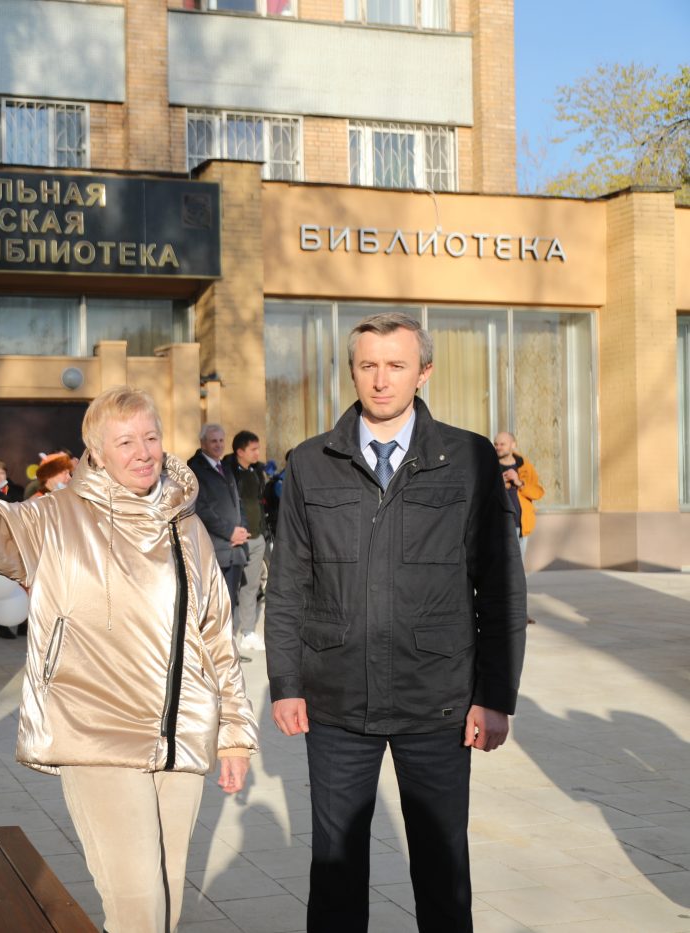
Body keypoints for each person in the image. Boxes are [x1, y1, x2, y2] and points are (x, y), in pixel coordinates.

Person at [0, 386, 258, 933]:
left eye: (150, 437)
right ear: (96, 453)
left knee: (168, 898)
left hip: (181, 737)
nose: (143, 452)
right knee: (138, 903)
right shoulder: (54, 518)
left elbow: (217, 634)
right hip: (98, 734)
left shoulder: (186, 526)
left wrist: (235, 735)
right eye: (125, 441)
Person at [266, 311, 526, 933]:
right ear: (352, 371)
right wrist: (287, 683)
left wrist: (494, 697)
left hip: (436, 701)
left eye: (396, 366)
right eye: (368, 366)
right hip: (335, 705)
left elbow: (500, 585)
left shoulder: (467, 458)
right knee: (334, 878)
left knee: (442, 876)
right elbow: (288, 586)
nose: (381, 381)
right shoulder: (309, 462)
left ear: (423, 372)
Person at [187, 423, 250, 611]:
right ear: (203, 443)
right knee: (215, 606)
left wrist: (242, 530)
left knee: (230, 602)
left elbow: (239, 502)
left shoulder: (225, 467)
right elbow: (201, 508)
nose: (218, 445)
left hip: (235, 549)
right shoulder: (195, 469)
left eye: (221, 440)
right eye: (213, 441)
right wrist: (229, 532)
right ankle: (219, 641)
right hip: (215, 548)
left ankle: (228, 639)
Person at [223, 430, 267, 653]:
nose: (258, 453)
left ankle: (248, 632)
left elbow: (259, 502)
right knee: (228, 589)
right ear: (240, 451)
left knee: (251, 587)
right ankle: (225, 635)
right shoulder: (226, 473)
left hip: (257, 537)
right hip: (236, 540)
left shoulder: (257, 471)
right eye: (253, 449)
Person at [493, 432, 543, 564]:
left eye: (502, 444)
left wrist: (518, 482)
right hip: (499, 524)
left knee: (518, 565)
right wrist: (499, 485)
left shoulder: (524, 465)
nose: (498, 447)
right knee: (503, 565)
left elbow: (538, 492)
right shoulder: (490, 465)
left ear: (513, 445)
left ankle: (517, 585)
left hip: (522, 524)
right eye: (496, 444)